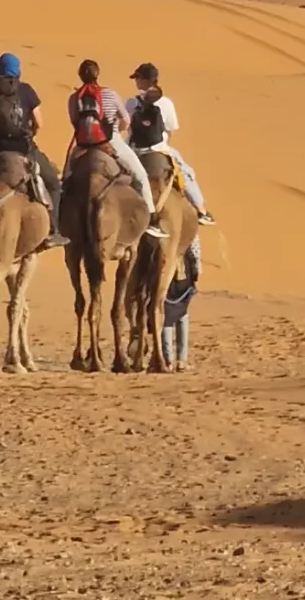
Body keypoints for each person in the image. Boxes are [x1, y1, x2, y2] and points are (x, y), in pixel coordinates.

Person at [68, 59, 163, 237]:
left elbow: (74, 121)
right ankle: (152, 220)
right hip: (111, 142)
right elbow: (126, 119)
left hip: (82, 146)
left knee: (66, 182)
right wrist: (115, 133)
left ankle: (59, 222)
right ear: (98, 74)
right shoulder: (110, 94)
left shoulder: (74, 98)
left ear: (80, 76)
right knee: (141, 176)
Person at [0, 52, 62, 241]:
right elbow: (39, 122)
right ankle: (53, 231)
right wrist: (29, 134)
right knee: (53, 183)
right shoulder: (26, 90)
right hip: (24, 149)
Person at [126, 63, 214, 230]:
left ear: (145, 80)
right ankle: (201, 211)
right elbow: (171, 130)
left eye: (137, 78)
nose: (136, 82)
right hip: (159, 149)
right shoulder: (166, 103)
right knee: (185, 172)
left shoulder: (131, 102)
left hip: (133, 149)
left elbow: (126, 125)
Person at [162, 241, 201, 370]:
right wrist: (195, 276)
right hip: (180, 276)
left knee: (168, 319)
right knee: (179, 317)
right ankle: (179, 360)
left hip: (168, 276)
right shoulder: (190, 235)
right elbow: (195, 253)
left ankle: (170, 361)